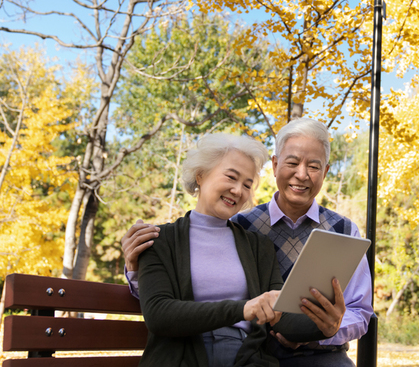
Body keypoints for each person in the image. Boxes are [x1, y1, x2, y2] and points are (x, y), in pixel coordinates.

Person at [123, 119, 373, 366]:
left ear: (326, 172)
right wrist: (134, 269)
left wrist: (329, 327)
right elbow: (159, 309)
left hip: (264, 357)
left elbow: (282, 313)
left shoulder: (255, 242)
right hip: (188, 355)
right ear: (200, 175)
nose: (238, 191)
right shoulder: (172, 236)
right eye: (231, 177)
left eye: (247, 184)